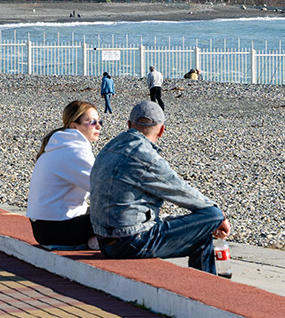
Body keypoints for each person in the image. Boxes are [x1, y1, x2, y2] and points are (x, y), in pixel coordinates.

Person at [90, 99, 230, 274]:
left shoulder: (109, 147)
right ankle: (208, 296)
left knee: (200, 238)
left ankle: (207, 290)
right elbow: (180, 191)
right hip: (130, 241)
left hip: (104, 239)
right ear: (162, 130)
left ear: (129, 125)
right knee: (212, 216)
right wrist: (219, 214)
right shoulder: (144, 155)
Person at [26, 100, 102, 249]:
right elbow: (103, 187)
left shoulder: (57, 145)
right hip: (57, 230)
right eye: (92, 122)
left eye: (100, 121)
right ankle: (100, 240)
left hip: (42, 228)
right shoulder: (75, 151)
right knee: (118, 214)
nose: (98, 126)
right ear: (74, 126)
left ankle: (95, 239)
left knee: (103, 211)